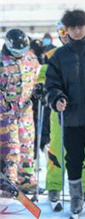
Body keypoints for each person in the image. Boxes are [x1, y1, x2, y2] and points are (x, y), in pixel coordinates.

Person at [45, 9, 85, 216]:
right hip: (70, 118)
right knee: (74, 159)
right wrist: (57, 98)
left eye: (80, 27)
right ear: (66, 30)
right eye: (72, 28)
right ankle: (76, 200)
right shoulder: (58, 56)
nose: (77, 31)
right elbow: (51, 85)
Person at [0, 29, 40, 192]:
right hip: (7, 112)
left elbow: (38, 75)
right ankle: (10, 180)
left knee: (27, 145)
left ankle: (26, 179)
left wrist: (39, 89)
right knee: (12, 147)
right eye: (17, 51)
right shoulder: (2, 62)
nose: (20, 54)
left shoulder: (31, 57)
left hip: (26, 111)